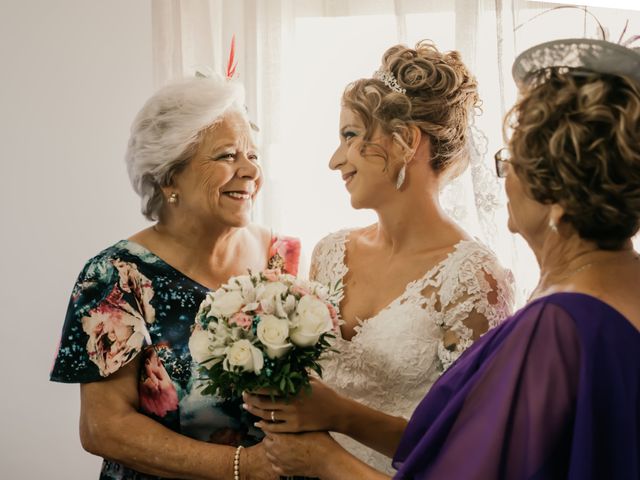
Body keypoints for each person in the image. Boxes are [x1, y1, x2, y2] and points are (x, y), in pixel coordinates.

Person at [253, 38, 640, 479]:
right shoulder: (616, 290)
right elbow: (464, 438)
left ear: (561, 194)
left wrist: (326, 459)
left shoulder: (558, 322)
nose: (504, 175)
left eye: (514, 160)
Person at [243, 40, 514, 475]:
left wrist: (342, 416)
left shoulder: (472, 276)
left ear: (405, 140)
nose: (335, 161)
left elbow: (473, 443)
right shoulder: (330, 252)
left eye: (350, 136)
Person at [50, 73, 300, 480]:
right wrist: (244, 467)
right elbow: (103, 428)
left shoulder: (285, 260)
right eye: (226, 156)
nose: (249, 170)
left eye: (253, 155)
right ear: (169, 177)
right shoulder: (115, 276)